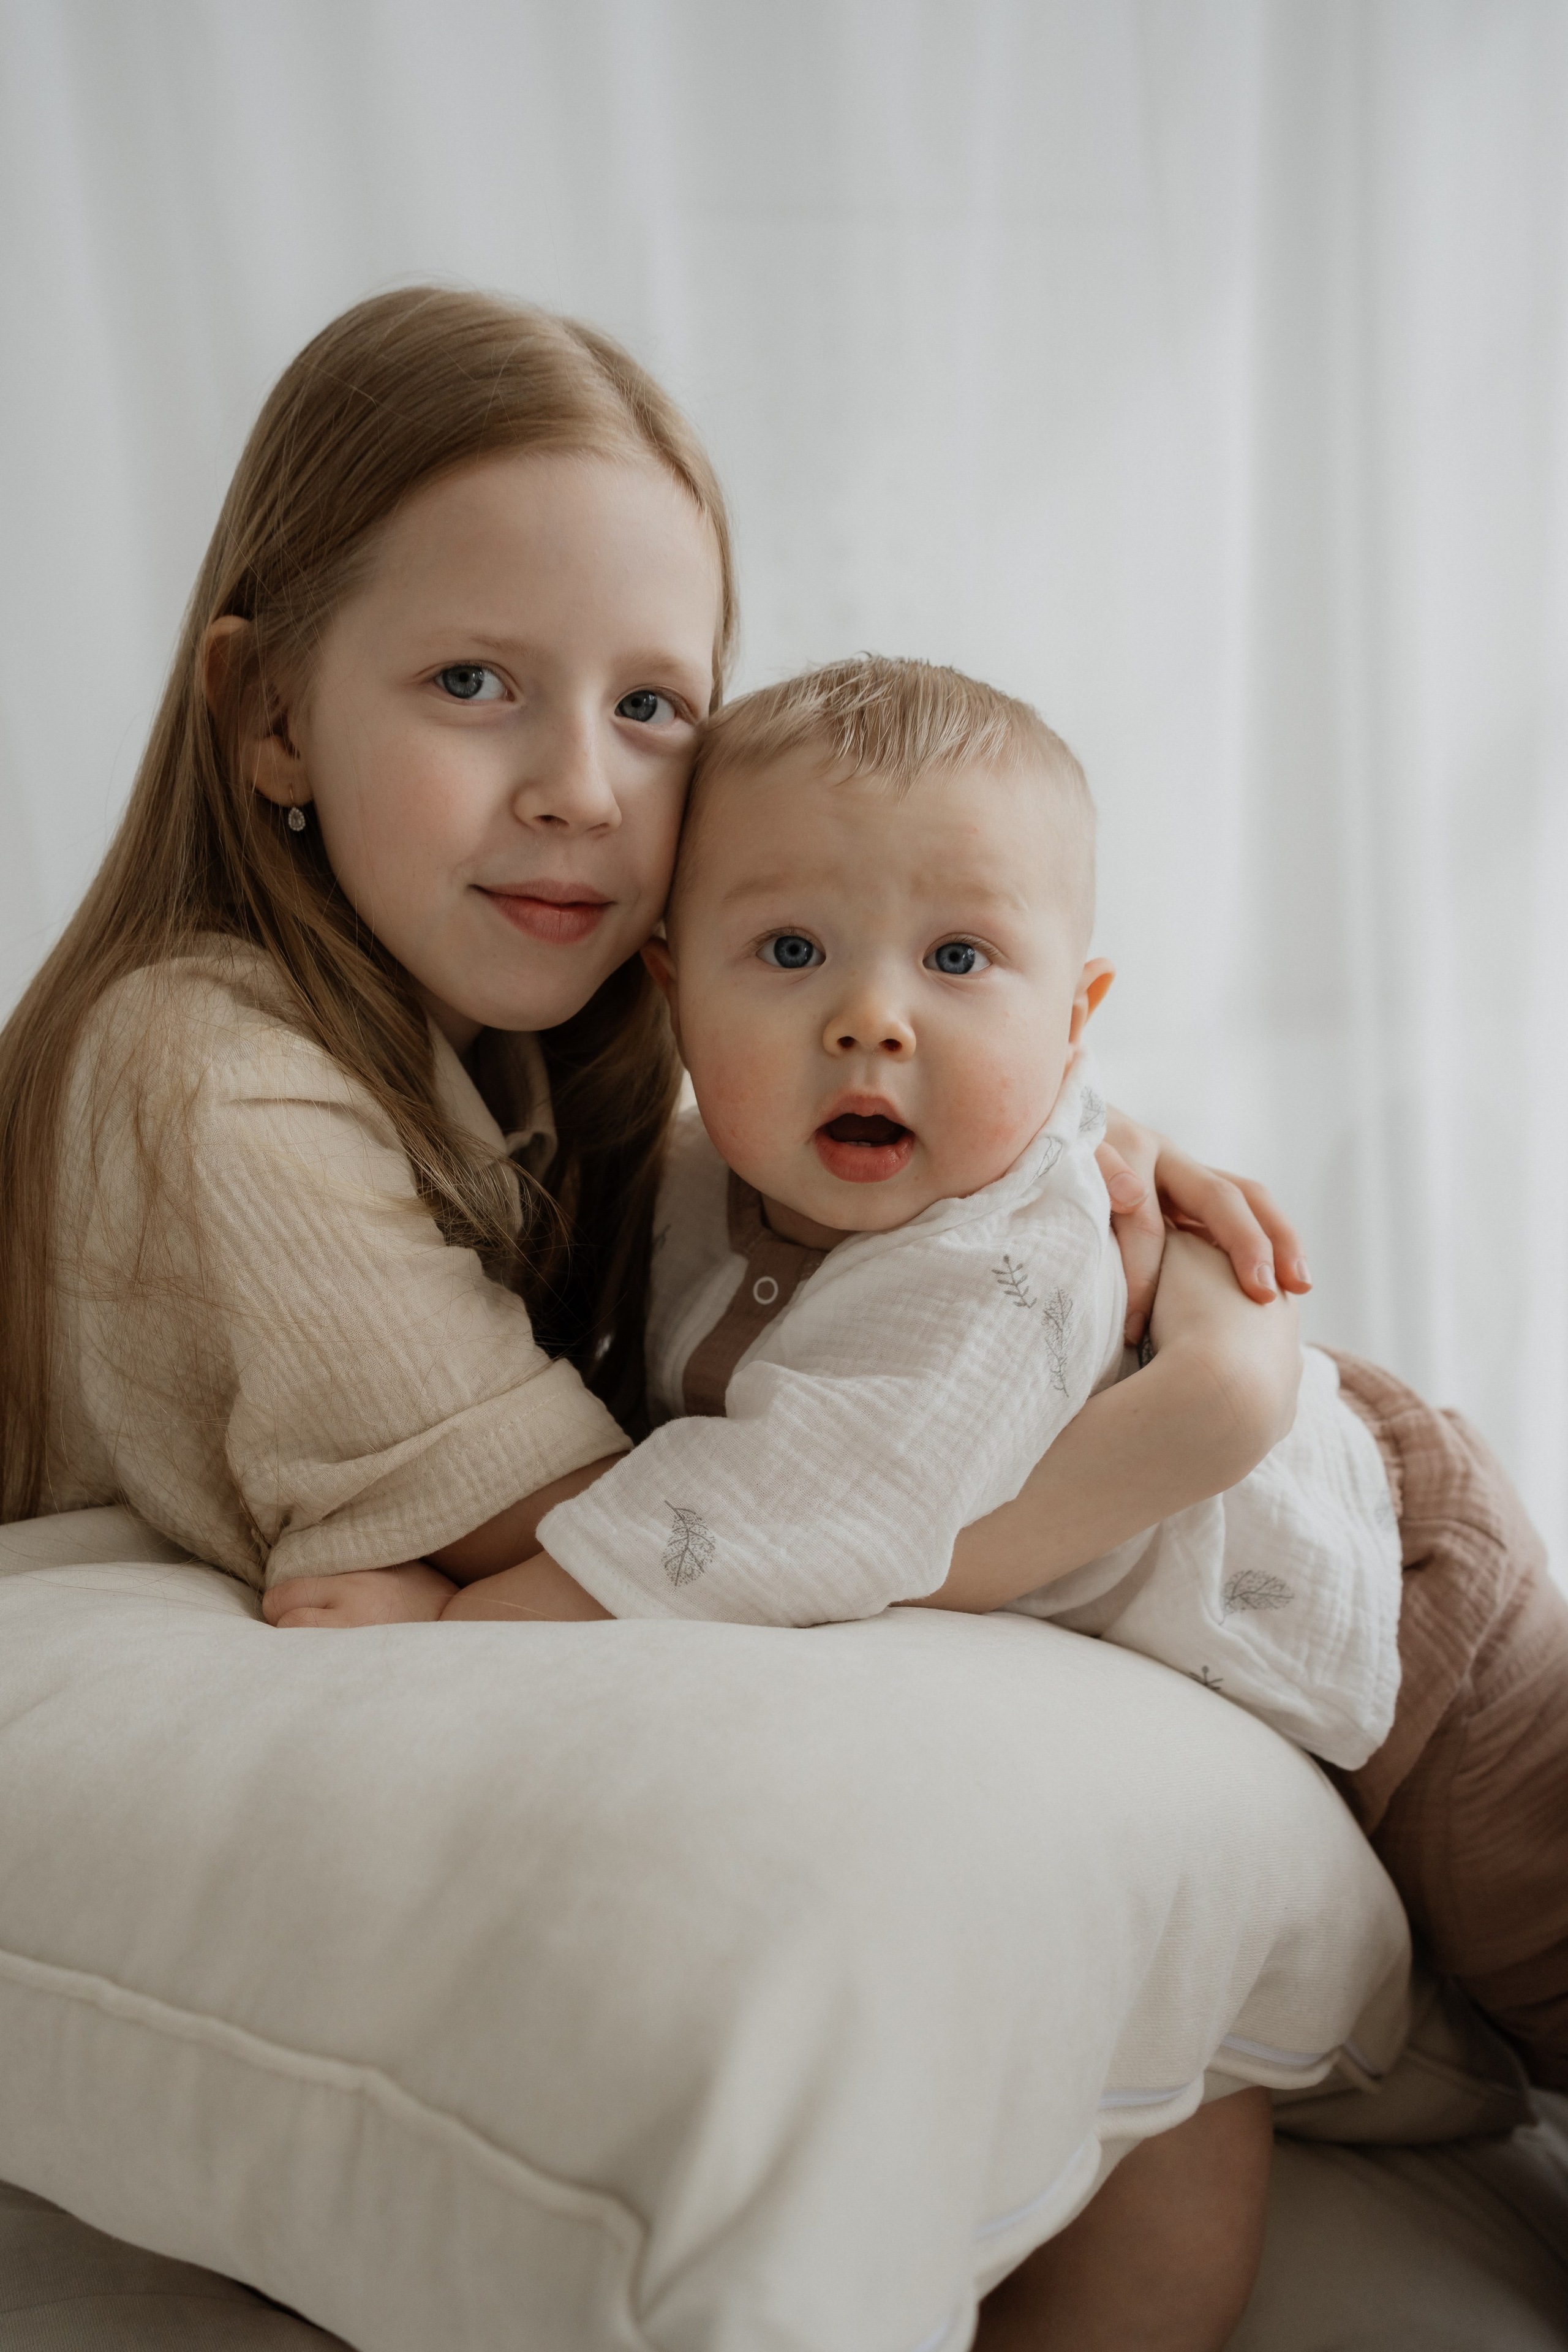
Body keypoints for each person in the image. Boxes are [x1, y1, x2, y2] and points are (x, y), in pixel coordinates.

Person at [0, 288, 1323, 2350]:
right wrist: (1202, 1402)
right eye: (474, 685)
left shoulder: (550, 1036)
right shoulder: (202, 1062)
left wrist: (1097, 1160)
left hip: (1360, 1516)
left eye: (654, 709)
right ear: (265, 718)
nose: (583, 792)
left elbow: (876, 1138)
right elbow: (618, 1530)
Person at [358, 652, 1563, 2120]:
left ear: (1072, 1024)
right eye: (791, 952)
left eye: (957, 959)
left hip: (1408, 1598)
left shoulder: (995, 1260)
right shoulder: (691, 1176)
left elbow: (774, 1524)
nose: (871, 1018)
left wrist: (451, 1622)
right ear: (676, 990)